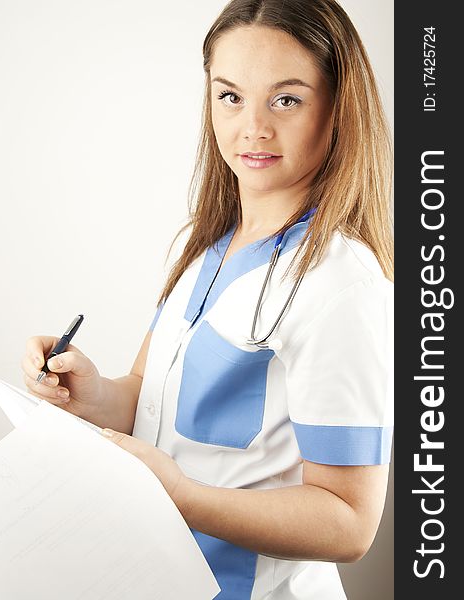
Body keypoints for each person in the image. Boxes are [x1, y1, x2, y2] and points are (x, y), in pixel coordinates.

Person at [22, 0, 393, 598]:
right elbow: (147, 402)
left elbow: (349, 522)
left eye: (286, 99)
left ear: (337, 108)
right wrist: (91, 394)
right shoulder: (201, 251)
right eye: (231, 96)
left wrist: (181, 497)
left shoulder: (339, 283)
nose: (253, 127)